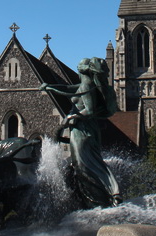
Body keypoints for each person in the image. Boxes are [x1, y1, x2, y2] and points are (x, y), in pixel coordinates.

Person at [40, 57, 123, 208]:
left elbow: (89, 110)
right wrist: (50, 87)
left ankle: (104, 197)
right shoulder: (84, 85)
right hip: (81, 130)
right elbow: (68, 89)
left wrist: (71, 117)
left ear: (83, 70)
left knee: (86, 164)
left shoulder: (86, 86)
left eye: (79, 66)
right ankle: (104, 195)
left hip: (84, 130)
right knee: (85, 164)